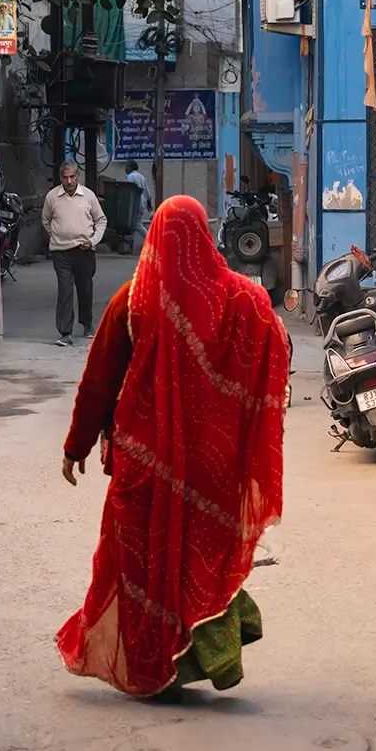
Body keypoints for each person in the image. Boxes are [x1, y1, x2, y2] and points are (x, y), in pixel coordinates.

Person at [55, 194, 290, 699]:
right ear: (205, 237)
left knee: (143, 565)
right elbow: (278, 347)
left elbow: (99, 380)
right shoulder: (242, 300)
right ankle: (208, 656)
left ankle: (151, 662)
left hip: (143, 467)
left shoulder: (132, 300)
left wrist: (75, 446)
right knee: (201, 558)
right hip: (214, 466)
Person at [41, 161, 107, 346]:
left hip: (83, 250)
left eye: (72, 177)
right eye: (65, 177)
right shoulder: (52, 197)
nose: (69, 181)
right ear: (61, 178)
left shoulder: (88, 196)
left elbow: (101, 220)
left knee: (85, 288)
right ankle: (65, 332)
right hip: (61, 252)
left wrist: (93, 240)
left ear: (78, 176)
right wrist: (57, 236)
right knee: (65, 289)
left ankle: (87, 325)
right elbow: (46, 220)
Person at [124, 160, 153, 236]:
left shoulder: (130, 177)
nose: (125, 169)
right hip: (142, 204)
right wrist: (149, 205)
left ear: (130, 167)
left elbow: (128, 190)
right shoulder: (142, 177)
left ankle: (150, 240)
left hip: (134, 204)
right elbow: (147, 192)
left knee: (136, 225)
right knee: (135, 225)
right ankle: (130, 245)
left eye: (126, 167)